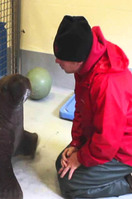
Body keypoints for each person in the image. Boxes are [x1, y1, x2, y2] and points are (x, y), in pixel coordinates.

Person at [53, 15, 132, 198]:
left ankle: (127, 182)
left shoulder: (108, 84)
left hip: (123, 150)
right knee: (61, 164)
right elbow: (80, 109)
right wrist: (76, 144)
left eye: (61, 57)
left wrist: (80, 157)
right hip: (104, 138)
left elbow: (108, 141)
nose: (57, 61)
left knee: (69, 184)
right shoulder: (86, 64)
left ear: (78, 60)